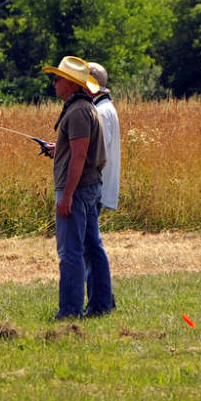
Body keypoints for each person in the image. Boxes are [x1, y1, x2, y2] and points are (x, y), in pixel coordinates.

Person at [42, 56, 116, 319]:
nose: (54, 83)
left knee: (70, 252)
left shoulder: (77, 112)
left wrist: (68, 196)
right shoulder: (83, 109)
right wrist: (57, 148)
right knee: (92, 247)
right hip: (87, 187)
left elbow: (80, 156)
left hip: (76, 191)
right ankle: (100, 305)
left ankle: (70, 311)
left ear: (72, 84)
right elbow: (77, 151)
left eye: (58, 78)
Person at [84, 62, 121, 310]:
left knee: (91, 248)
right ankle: (103, 299)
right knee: (91, 247)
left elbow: (97, 151)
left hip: (93, 186)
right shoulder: (106, 108)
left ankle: (101, 302)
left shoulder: (101, 112)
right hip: (98, 185)